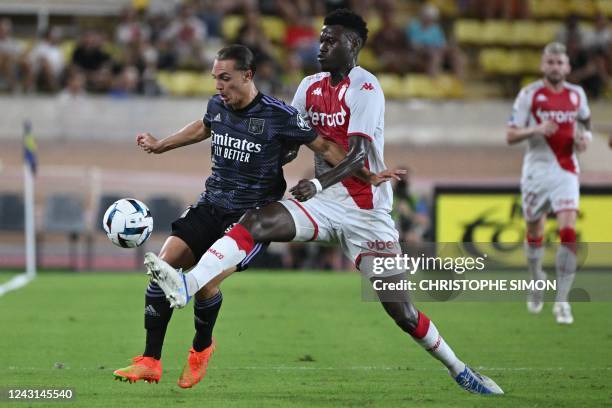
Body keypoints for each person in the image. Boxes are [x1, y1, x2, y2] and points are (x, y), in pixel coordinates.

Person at [146, 9, 503, 395]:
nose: (322, 46)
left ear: (355, 44)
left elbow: (356, 156)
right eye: (321, 38)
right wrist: (272, 157)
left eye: (331, 40)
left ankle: (459, 369)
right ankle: (188, 285)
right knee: (257, 219)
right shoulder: (310, 86)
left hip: (367, 214)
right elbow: (291, 136)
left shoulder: (366, 88)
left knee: (401, 311)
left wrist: (316, 184)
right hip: (323, 204)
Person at [112, 44, 396, 387]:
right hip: (210, 204)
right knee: (163, 270)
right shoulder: (217, 104)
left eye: (226, 78)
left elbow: (324, 146)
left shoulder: (280, 116)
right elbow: (204, 126)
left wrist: (365, 174)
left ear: (248, 75)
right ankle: (149, 361)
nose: (218, 86)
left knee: (205, 285)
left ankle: (200, 349)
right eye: (215, 78)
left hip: (249, 219)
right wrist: (161, 145)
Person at [506, 42, 591, 324]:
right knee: (534, 230)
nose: (555, 67)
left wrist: (584, 139)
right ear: (544, 65)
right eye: (550, 62)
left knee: (568, 230)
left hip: (566, 169)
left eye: (560, 63)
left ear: (567, 66)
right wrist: (537, 129)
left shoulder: (577, 95)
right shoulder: (529, 95)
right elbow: (510, 135)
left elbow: (586, 126)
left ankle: (563, 301)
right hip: (536, 171)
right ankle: (536, 278)